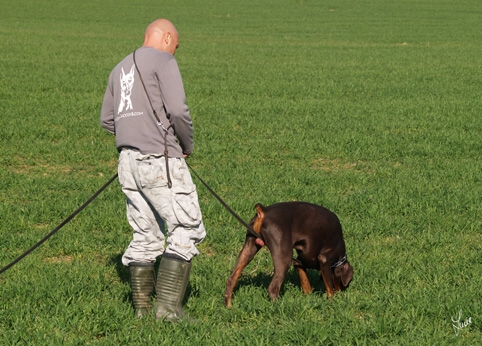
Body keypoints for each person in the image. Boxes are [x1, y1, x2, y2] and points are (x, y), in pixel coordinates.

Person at [100, 19, 206, 322]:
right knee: (187, 226)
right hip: (160, 159)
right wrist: (185, 145)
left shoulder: (119, 67)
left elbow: (108, 120)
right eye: (176, 45)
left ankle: (142, 311)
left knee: (145, 233)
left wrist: (133, 135)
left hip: (127, 162)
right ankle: (169, 310)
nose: (176, 51)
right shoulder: (164, 60)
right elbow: (177, 110)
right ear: (168, 37)